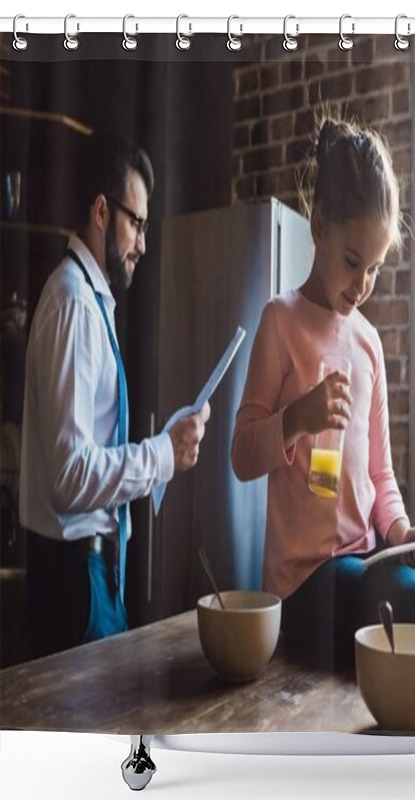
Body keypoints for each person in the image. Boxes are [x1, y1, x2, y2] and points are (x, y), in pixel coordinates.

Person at [231, 116, 415, 669]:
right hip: (303, 582)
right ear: (318, 227)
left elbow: (380, 475)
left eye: (373, 269)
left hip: (368, 554)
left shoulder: (368, 342)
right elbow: (241, 455)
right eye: (353, 263)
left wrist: (400, 534)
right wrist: (296, 417)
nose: (362, 285)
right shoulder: (280, 321)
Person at [19, 131, 210, 658]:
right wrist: (163, 454)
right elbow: (70, 478)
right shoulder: (75, 304)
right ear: (102, 211)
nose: (143, 245)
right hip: (74, 586)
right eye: (137, 223)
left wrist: (163, 451)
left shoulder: (88, 299)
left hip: (91, 576)